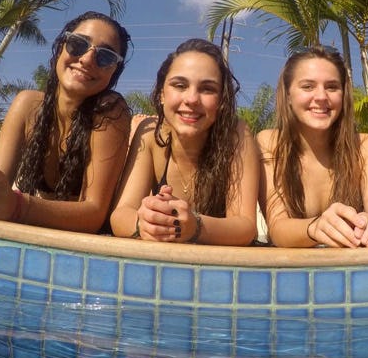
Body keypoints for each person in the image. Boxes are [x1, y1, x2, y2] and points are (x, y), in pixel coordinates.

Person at [0, 11, 133, 233]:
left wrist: (17, 206)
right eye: (78, 44)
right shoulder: (27, 105)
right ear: (60, 47)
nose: (87, 59)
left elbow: (94, 214)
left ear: (114, 72)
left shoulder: (110, 111)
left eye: (106, 57)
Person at [110, 38, 258, 245]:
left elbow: (245, 227)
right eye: (180, 85)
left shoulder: (236, 136)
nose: (191, 99)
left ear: (221, 101)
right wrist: (144, 223)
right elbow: (120, 215)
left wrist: (195, 226)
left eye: (207, 89)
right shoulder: (151, 133)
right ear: (161, 94)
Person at [257, 46, 368, 248]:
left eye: (332, 87)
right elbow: (278, 229)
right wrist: (315, 228)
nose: (321, 96)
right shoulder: (270, 143)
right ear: (287, 95)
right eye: (308, 87)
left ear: (343, 94)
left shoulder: (364, 146)